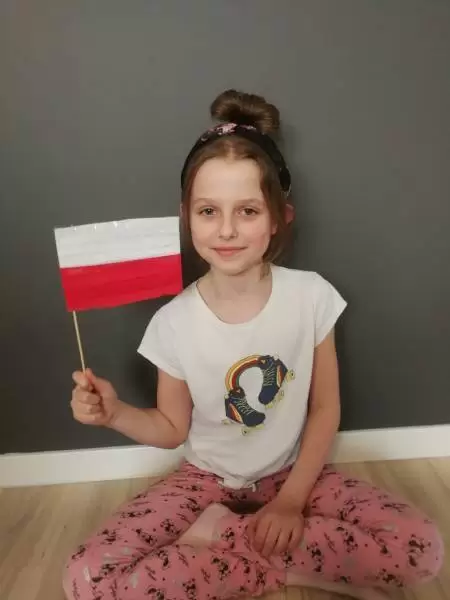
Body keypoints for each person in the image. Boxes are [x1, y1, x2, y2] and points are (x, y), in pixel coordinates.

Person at [63, 90, 443, 600]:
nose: (226, 230)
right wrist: (114, 414)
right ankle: (278, 565)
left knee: (420, 549)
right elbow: (171, 428)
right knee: (88, 579)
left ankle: (221, 540)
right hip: (203, 480)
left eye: (247, 211)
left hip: (291, 472)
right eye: (208, 211)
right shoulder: (172, 322)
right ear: (185, 215)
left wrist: (290, 502)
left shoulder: (311, 296)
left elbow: (325, 408)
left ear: (279, 216)